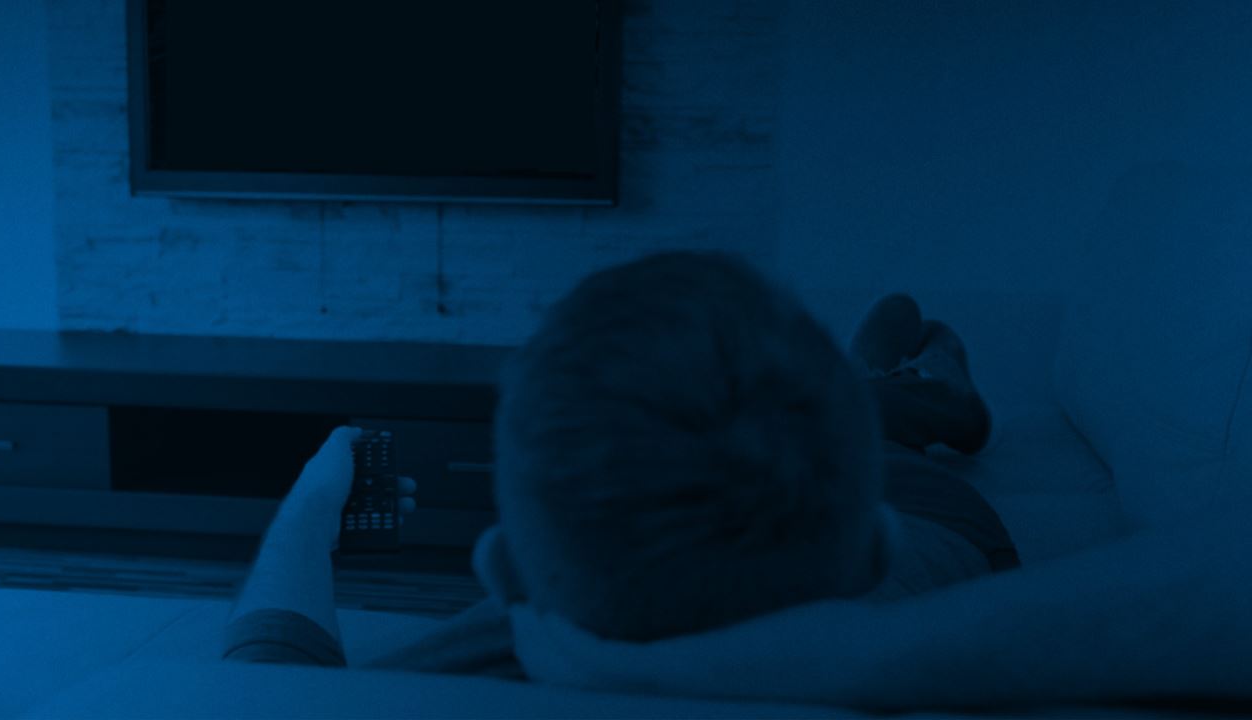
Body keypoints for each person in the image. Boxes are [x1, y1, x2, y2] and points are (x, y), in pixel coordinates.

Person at [222, 251, 1018, 677]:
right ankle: (918, 388)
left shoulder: (476, 662)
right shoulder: (942, 646)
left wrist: (310, 509)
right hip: (930, 512)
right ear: (876, 549)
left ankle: (873, 379)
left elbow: (264, 681)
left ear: (506, 573)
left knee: (820, 417)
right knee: (840, 430)